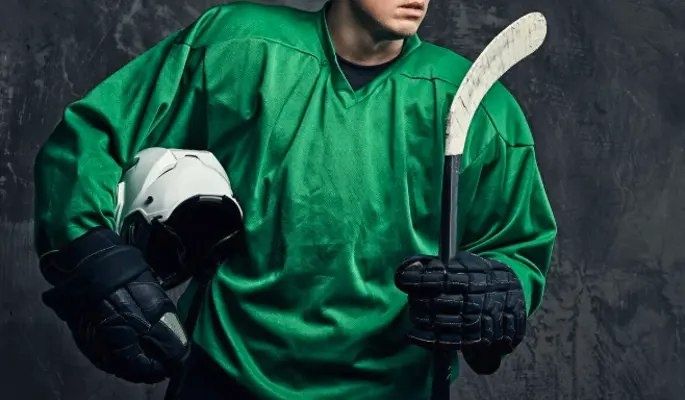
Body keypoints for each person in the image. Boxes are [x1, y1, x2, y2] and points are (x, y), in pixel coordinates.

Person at [32, 0, 558, 399]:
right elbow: (91, 139)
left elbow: (517, 243)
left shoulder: (479, 104)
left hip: (394, 388)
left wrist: (501, 290)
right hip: (224, 377)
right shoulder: (236, 46)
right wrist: (95, 258)